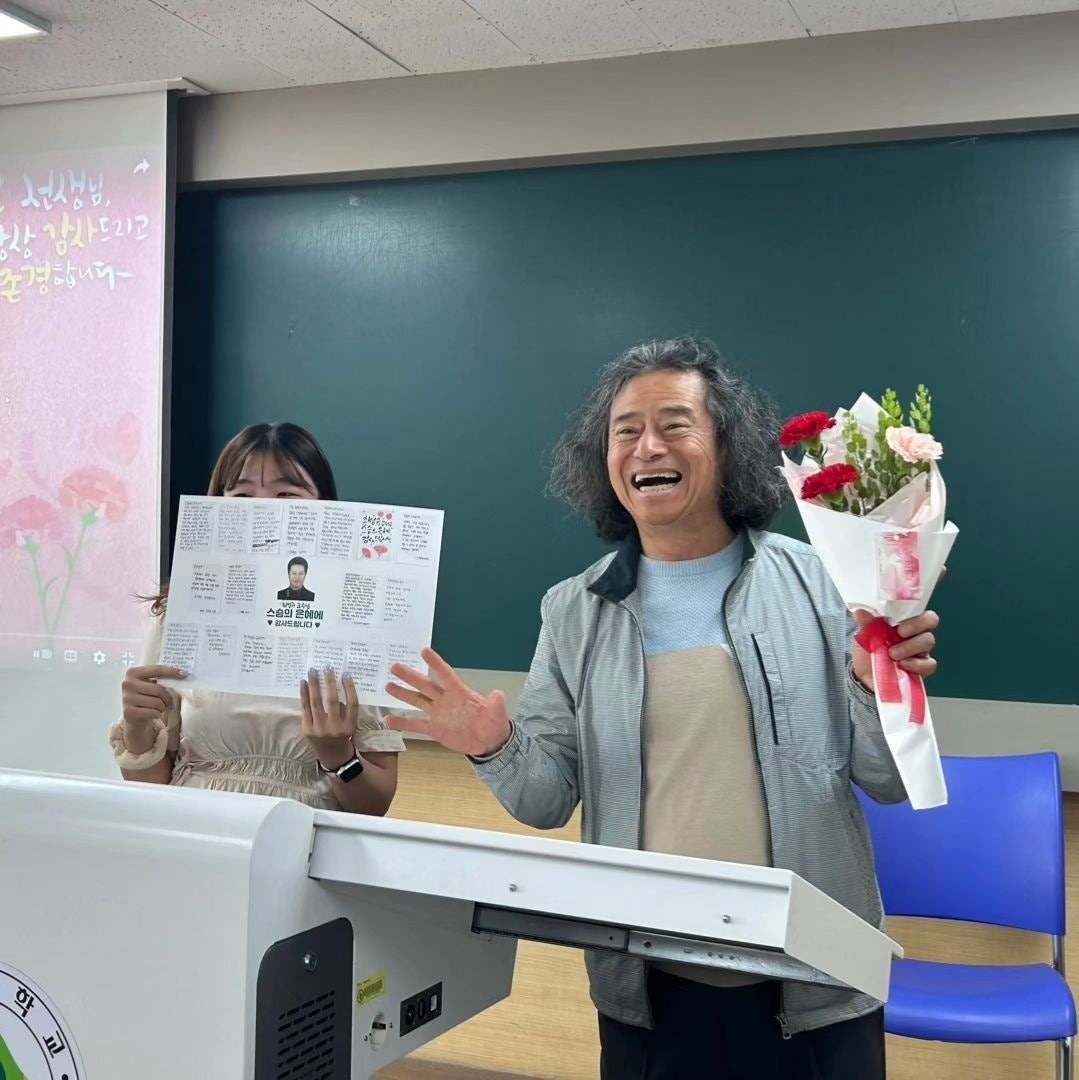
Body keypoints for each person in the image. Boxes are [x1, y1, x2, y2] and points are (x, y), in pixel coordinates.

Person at [385, 337, 942, 1078]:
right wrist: (492, 745)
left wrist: (877, 687)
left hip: (814, 981)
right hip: (646, 987)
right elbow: (546, 801)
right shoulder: (574, 611)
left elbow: (889, 780)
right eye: (626, 431)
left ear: (726, 447)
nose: (648, 446)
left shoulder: (825, 585)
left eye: (675, 424)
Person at [111, 422, 403, 814]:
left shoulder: (360, 622)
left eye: (287, 494)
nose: (262, 509)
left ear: (327, 507)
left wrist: (339, 756)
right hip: (194, 829)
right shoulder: (182, 612)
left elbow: (374, 807)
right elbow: (149, 787)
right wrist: (136, 728)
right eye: (242, 494)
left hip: (304, 836)